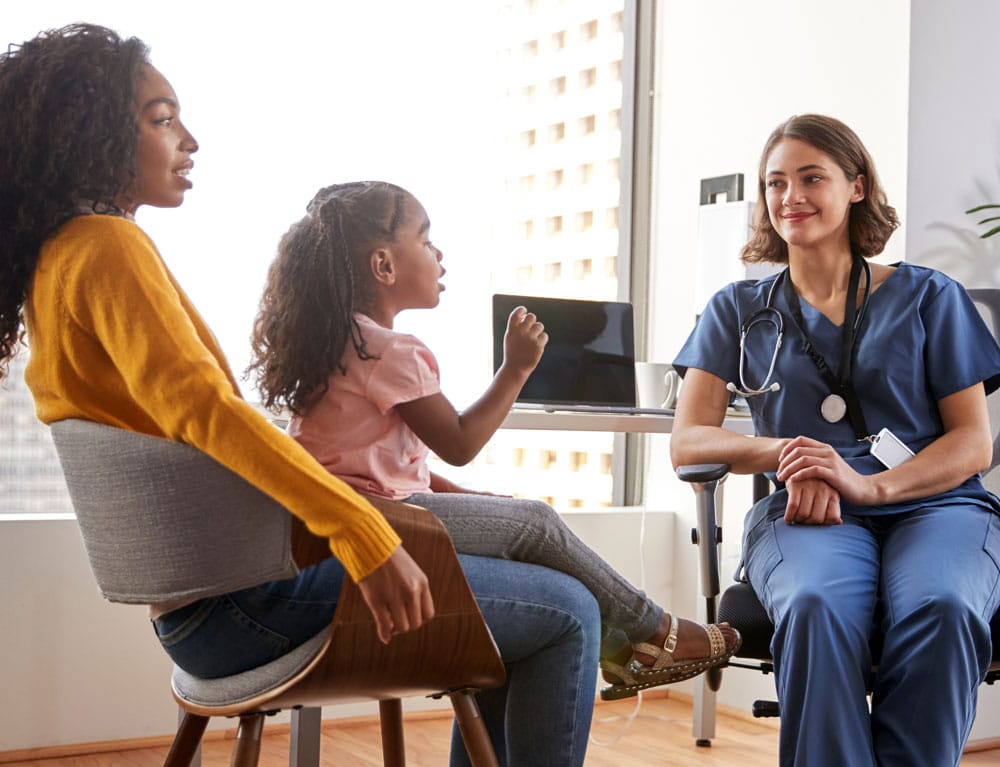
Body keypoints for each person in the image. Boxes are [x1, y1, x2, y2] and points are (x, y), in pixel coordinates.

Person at [1, 23, 602, 766]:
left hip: (198, 613)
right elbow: (206, 413)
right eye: (161, 119)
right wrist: (361, 532)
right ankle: (658, 633)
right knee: (568, 609)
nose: (188, 138)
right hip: (250, 604)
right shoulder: (107, 246)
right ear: (87, 134)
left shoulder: (57, 262)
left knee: (532, 573)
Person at [245, 180, 741, 701]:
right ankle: (657, 632)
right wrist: (516, 369)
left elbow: (390, 467)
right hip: (379, 519)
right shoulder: (389, 351)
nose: (439, 255)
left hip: (338, 521)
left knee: (514, 519)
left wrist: (473, 502)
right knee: (537, 521)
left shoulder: (338, 342)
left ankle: (621, 651)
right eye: (426, 239)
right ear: (384, 265)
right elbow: (460, 442)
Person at [670, 113, 1000, 766]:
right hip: (805, 507)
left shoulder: (931, 297)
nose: (790, 196)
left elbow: (972, 443)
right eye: (775, 182)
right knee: (816, 605)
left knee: (945, 603)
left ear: (856, 186)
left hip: (935, 503)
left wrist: (869, 483)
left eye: (810, 177)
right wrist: (793, 456)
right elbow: (689, 441)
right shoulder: (735, 309)